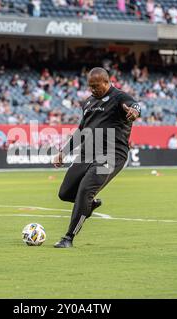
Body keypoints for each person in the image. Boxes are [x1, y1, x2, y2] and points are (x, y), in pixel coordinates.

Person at [52, 67, 141, 248]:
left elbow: (136, 106)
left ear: (107, 82)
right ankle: (89, 206)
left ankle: (68, 237)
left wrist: (134, 112)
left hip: (112, 153)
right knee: (65, 193)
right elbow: (81, 131)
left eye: (96, 86)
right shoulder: (88, 103)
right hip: (87, 152)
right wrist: (63, 152)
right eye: (90, 86)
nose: (93, 89)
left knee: (85, 190)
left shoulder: (119, 97)